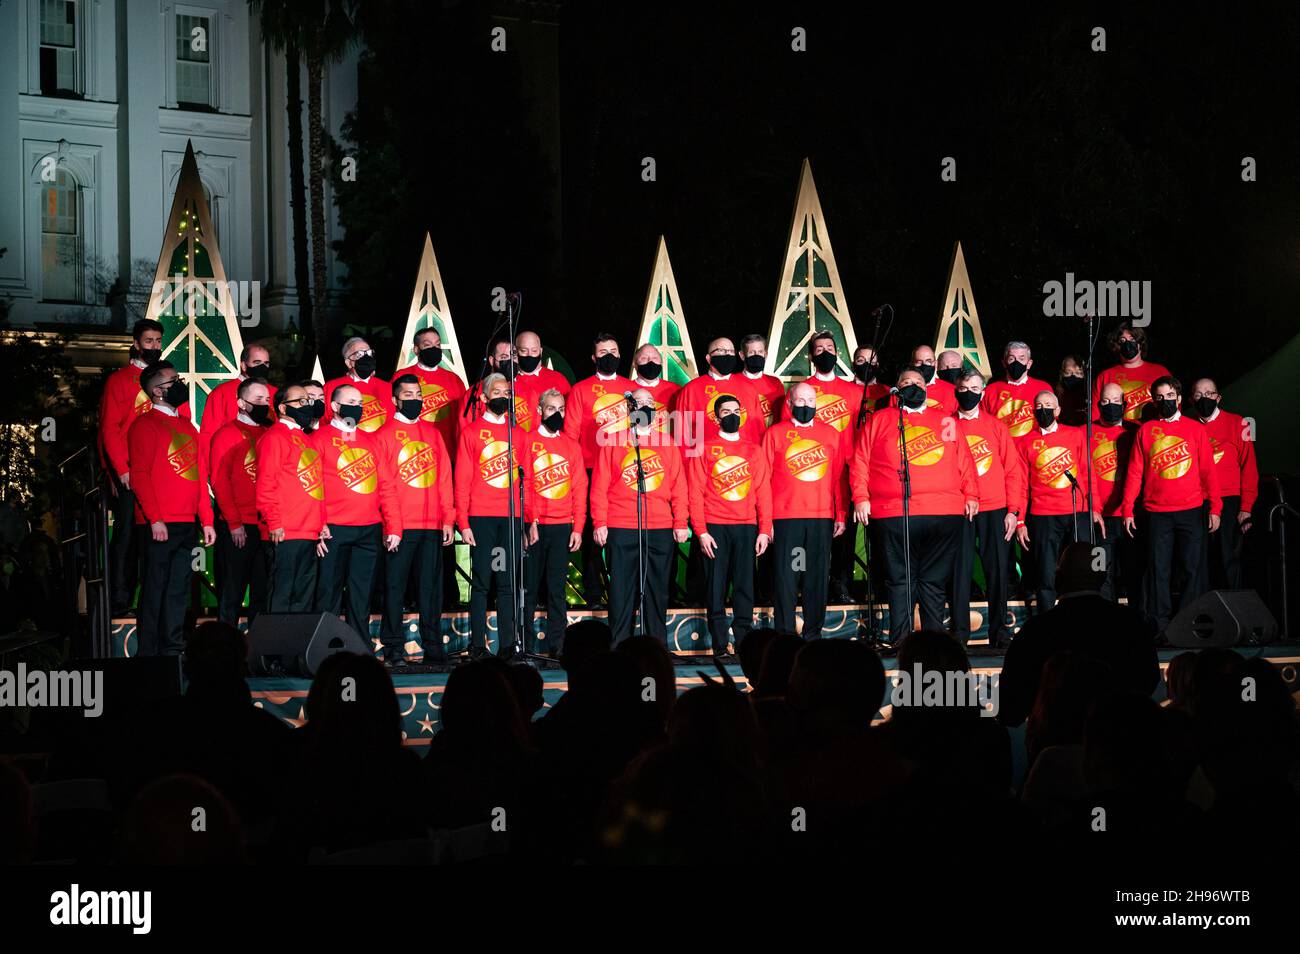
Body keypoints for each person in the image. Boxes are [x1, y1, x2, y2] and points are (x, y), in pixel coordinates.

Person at [851, 369, 978, 642]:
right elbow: (860, 459)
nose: (914, 386)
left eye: (919, 382)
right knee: (900, 582)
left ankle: (934, 645)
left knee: (933, 583)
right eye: (907, 382)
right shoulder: (880, 420)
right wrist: (861, 497)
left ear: (928, 388)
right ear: (896, 389)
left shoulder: (945, 421)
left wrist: (971, 495)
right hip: (894, 513)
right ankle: (901, 644)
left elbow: (964, 460)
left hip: (944, 513)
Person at [997, 542, 1159, 728]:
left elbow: (1011, 705)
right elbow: (1148, 679)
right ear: (1102, 577)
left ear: (1059, 577)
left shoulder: (1037, 630)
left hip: (1055, 740)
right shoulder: (1130, 624)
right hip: (1116, 740)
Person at [98, 318, 186, 616]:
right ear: (135, 343)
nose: (154, 346)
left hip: (163, 474)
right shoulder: (120, 380)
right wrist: (121, 469)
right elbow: (110, 429)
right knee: (126, 536)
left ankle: (151, 600)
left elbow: (180, 424)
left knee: (155, 538)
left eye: (158, 341)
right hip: (131, 475)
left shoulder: (169, 381)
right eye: (148, 341)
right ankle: (119, 600)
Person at [1122, 376, 1221, 635]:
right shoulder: (1145, 431)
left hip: (1191, 509)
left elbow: (1208, 472)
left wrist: (1215, 508)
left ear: (1178, 399)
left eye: (1168, 396)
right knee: (1159, 570)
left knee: (1191, 568)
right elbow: (1135, 472)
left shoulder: (1195, 430)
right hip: (1157, 512)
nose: (1164, 401)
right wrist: (1127, 508)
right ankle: (1160, 626)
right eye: (1159, 397)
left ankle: (1189, 623)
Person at [128, 362, 215, 656]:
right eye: (173, 381)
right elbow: (139, 475)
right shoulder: (145, 425)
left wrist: (207, 519)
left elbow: (199, 476)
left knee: (178, 589)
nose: (180, 384)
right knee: (154, 588)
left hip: (186, 522)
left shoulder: (187, 426)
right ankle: (148, 653)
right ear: (156, 391)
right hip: (159, 523)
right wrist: (155, 518)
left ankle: (173, 648)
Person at [590, 390, 689, 644]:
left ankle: (655, 646)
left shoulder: (667, 442)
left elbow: (679, 486)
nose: (645, 406)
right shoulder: (612, 441)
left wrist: (680, 522)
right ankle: (620, 646)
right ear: (629, 407)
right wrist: (599, 522)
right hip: (622, 525)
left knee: (656, 589)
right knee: (622, 590)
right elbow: (599, 486)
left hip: (659, 526)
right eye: (639, 403)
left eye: (649, 403)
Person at [312, 383, 402, 639]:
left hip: (368, 530)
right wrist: (318, 524)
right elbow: (312, 487)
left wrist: (393, 526)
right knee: (328, 593)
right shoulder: (318, 440)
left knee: (361, 594)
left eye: (360, 403)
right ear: (335, 406)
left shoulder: (370, 442)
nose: (357, 407)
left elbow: (386, 486)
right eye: (351, 402)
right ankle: (323, 648)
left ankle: (359, 648)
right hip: (333, 530)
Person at [376, 375, 454, 667]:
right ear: (395, 400)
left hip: (432, 524)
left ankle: (433, 647)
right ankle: (393, 649)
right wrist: (391, 525)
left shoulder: (432, 433)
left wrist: (448, 518)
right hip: (401, 527)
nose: (415, 399)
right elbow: (384, 486)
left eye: (418, 394)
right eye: (408, 394)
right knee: (395, 588)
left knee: (430, 589)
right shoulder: (383, 435)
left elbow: (444, 478)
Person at [687, 395, 772, 657]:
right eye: (726, 411)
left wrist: (765, 530)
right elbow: (695, 493)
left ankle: (744, 641)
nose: (732, 415)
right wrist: (701, 531)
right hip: (715, 526)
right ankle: (721, 645)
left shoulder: (754, 450)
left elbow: (763, 492)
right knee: (716, 586)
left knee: (745, 585)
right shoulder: (703, 448)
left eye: (736, 410)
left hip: (746, 527)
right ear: (716, 417)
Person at [456, 372, 534, 657]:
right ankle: (477, 645)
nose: (503, 397)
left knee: (505, 582)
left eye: (507, 393)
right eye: (497, 392)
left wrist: (529, 521)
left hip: (510, 519)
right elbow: (462, 480)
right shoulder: (472, 433)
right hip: (482, 518)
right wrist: (463, 522)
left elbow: (528, 481)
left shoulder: (519, 434)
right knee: (481, 582)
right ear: (485, 397)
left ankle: (506, 645)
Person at [764, 382, 847, 639]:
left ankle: (813, 635)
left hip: (820, 519)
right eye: (800, 401)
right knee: (788, 578)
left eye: (810, 401)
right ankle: (786, 635)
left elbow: (837, 478)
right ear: (789, 404)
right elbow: (763, 480)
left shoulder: (831, 435)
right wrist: (767, 522)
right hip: (787, 519)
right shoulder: (775, 434)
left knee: (816, 578)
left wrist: (841, 513)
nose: (806, 406)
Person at [788, 332, 862, 604]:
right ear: (810, 356)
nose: (825, 352)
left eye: (830, 348)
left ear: (838, 354)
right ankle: (800, 582)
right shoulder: (802, 391)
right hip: (813, 469)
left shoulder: (854, 391)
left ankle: (840, 583)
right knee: (805, 536)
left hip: (847, 470)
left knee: (844, 533)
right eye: (819, 349)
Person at [950, 369, 1022, 647]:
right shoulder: (947, 425)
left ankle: (999, 632)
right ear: (956, 390)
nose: (969, 392)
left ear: (983, 392)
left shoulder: (996, 426)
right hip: (959, 509)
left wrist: (1013, 511)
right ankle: (959, 634)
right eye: (964, 387)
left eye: (974, 388)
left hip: (995, 508)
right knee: (960, 571)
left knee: (998, 571)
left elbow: (1012, 471)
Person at [1012, 390, 1099, 614]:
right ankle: (1047, 622)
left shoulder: (1076, 435)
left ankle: (1083, 616)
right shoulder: (1024, 442)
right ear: (1033, 411)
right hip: (1043, 515)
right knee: (1046, 572)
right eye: (1039, 406)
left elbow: (1089, 474)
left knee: (1082, 569)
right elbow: (1021, 485)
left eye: (1049, 405)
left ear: (1058, 410)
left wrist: (1094, 508)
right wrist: (1020, 521)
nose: (1044, 410)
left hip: (1076, 510)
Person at [563, 333, 634, 605]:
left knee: (622, 533)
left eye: (613, 351)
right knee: (595, 535)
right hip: (592, 469)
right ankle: (593, 593)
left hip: (625, 470)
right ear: (594, 358)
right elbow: (570, 436)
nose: (608, 356)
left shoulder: (630, 389)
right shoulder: (580, 390)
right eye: (602, 352)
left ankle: (623, 592)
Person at [524, 388, 588, 657]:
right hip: (536, 526)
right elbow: (524, 483)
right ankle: (524, 644)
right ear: (540, 411)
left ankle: (557, 646)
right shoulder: (526, 442)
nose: (557, 414)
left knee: (557, 589)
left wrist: (578, 527)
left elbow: (579, 487)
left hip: (563, 526)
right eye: (551, 409)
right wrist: (531, 521)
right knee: (527, 588)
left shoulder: (571, 445)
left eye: (561, 409)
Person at [207, 379, 273, 625]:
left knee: (262, 593)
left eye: (266, 400)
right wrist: (234, 523)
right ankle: (225, 650)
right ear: (241, 403)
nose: (264, 404)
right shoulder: (226, 434)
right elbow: (220, 481)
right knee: (232, 593)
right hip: (238, 526)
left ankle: (257, 652)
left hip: (264, 526)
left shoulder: (269, 433)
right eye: (258, 400)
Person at [256, 385, 327, 613]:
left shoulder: (307, 439)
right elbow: (267, 484)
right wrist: (274, 522)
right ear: (283, 407)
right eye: (301, 401)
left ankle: (296, 647)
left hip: (309, 531)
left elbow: (316, 485)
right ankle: (274, 648)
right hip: (285, 532)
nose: (308, 406)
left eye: (309, 401)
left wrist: (321, 523)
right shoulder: (275, 437)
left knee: (303, 597)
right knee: (281, 596)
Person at [1191, 378, 1258, 589]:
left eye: (1209, 394)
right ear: (1191, 399)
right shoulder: (1188, 427)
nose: (1204, 398)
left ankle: (1233, 612)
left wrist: (1246, 507)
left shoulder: (1240, 423)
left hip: (1229, 500)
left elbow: (1249, 468)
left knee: (1228, 558)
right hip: (1196, 501)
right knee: (1198, 561)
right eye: (1198, 395)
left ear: (1218, 397)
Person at [672, 336, 766, 451]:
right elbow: (681, 433)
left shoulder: (748, 387)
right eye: (721, 350)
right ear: (708, 358)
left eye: (731, 351)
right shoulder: (691, 390)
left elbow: (758, 429)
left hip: (744, 457)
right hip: (706, 460)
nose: (727, 354)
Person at [1090, 382, 1138, 601]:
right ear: (1098, 404)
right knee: (1100, 572)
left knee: (1133, 572)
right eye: (1106, 402)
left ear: (1125, 404)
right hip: (1100, 521)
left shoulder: (1136, 431)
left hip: (1131, 518)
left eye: (1116, 401)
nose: (1111, 406)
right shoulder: (1086, 432)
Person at [391, 326, 467, 456]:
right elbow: (392, 414)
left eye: (438, 345)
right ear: (416, 350)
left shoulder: (454, 379)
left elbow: (462, 419)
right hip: (412, 449)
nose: (434, 349)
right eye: (427, 345)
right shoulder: (401, 376)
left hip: (447, 450)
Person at [199, 343, 275, 470]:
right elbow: (208, 436)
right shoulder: (221, 393)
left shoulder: (274, 393)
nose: (262, 367)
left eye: (266, 363)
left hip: (267, 464)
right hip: (233, 465)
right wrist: (212, 472)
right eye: (257, 363)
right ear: (244, 365)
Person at [1093, 321, 1172, 425]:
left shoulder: (1160, 371)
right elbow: (1095, 415)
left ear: (1140, 344)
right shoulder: (1105, 376)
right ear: (1117, 346)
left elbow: (1173, 407)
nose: (1128, 344)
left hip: (1154, 433)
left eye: (1132, 340)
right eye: (1122, 340)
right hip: (1119, 435)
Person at [981, 340, 1053, 438]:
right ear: (1004, 362)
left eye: (1021, 358)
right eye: (1011, 359)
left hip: (1033, 448)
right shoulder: (990, 391)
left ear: (1029, 363)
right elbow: (982, 424)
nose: (1016, 362)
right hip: (1001, 447)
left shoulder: (1043, 388)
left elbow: (1051, 424)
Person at [322, 337, 390, 432]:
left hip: (382, 443)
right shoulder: (331, 387)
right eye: (359, 354)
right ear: (349, 363)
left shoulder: (387, 387)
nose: (366, 358)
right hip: (348, 441)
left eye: (369, 353)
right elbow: (324, 422)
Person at [738, 334, 787, 427]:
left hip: (770, 438)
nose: (756, 356)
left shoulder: (775, 382)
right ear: (742, 355)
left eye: (760, 352)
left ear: (766, 354)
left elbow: (782, 415)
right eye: (752, 352)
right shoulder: (733, 381)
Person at [628, 343, 680, 429]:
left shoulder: (676, 390)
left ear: (661, 362)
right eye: (644, 358)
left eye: (655, 358)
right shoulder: (624, 390)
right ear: (635, 364)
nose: (650, 361)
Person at [906, 345, 959, 415]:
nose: (924, 365)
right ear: (911, 364)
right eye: (918, 362)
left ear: (935, 364)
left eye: (928, 361)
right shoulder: (900, 392)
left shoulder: (952, 391)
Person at [1055, 354, 1087, 426]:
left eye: (1078, 373)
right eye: (1068, 373)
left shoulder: (1089, 396)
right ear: (1061, 374)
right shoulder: (1055, 396)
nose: (1073, 376)